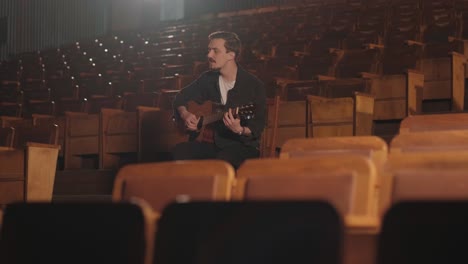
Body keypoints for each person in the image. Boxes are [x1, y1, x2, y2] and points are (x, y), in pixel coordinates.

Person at [171, 31, 266, 169]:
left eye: (215, 51)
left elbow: (257, 127)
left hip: (241, 146)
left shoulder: (253, 85)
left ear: (231, 55)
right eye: (209, 50)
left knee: (223, 161)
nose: (209, 55)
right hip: (211, 143)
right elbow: (180, 98)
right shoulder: (208, 79)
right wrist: (185, 115)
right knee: (179, 151)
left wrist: (240, 129)